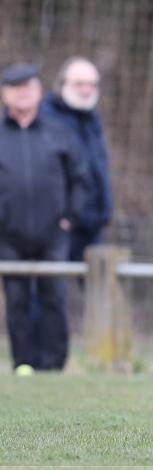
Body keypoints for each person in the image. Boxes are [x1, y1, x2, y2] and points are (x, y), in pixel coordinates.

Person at [0, 63, 90, 374]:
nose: (22, 94)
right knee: (17, 301)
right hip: (8, 235)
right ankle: (23, 362)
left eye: (28, 87)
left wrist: (70, 217)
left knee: (55, 298)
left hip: (53, 233)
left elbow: (80, 178)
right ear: (4, 94)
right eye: (15, 88)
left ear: (40, 92)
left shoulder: (59, 132)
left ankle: (54, 364)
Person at [41, 57, 113, 262]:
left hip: (92, 223)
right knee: (54, 280)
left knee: (99, 278)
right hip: (59, 225)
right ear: (62, 84)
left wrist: (104, 209)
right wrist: (63, 214)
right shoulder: (47, 119)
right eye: (79, 84)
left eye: (92, 84)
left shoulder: (92, 120)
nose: (86, 90)